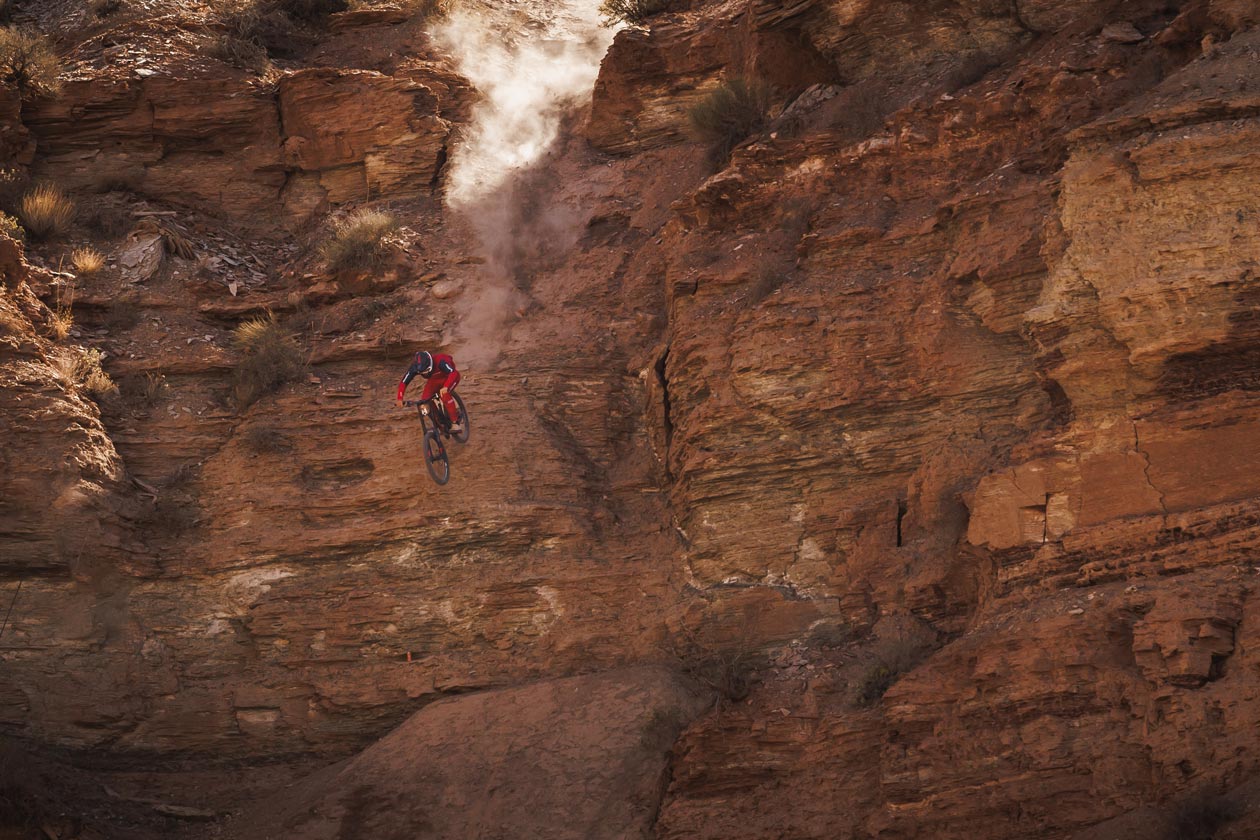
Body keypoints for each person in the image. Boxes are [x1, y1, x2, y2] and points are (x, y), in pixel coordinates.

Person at [396, 350, 462, 433]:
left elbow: (453, 373)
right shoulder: (415, 367)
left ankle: (455, 423)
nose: (426, 374)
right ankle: (439, 423)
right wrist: (400, 398)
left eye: (427, 371)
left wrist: (446, 387)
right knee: (424, 401)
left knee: (445, 395)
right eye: (423, 373)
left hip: (450, 377)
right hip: (434, 380)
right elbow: (403, 382)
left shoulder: (441, 360)